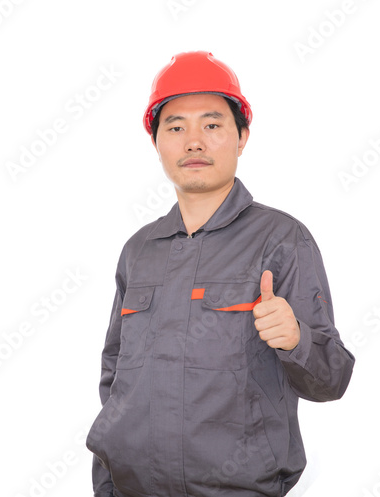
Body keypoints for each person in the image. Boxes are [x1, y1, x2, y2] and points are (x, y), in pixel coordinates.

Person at [86, 51, 355, 497]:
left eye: (211, 125)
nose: (193, 142)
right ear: (157, 142)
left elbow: (333, 379)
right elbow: (113, 374)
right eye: (175, 127)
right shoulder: (139, 250)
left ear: (242, 136)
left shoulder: (282, 240)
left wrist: (295, 339)